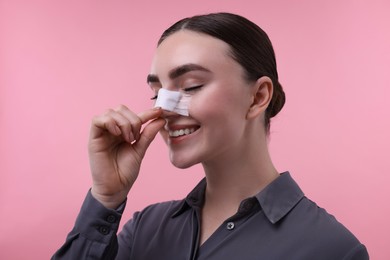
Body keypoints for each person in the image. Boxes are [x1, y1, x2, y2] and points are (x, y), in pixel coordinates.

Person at [52, 12, 369, 259]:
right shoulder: (144, 230)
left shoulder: (332, 249)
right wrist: (105, 199)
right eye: (157, 94)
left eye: (190, 87)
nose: (166, 110)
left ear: (258, 97)